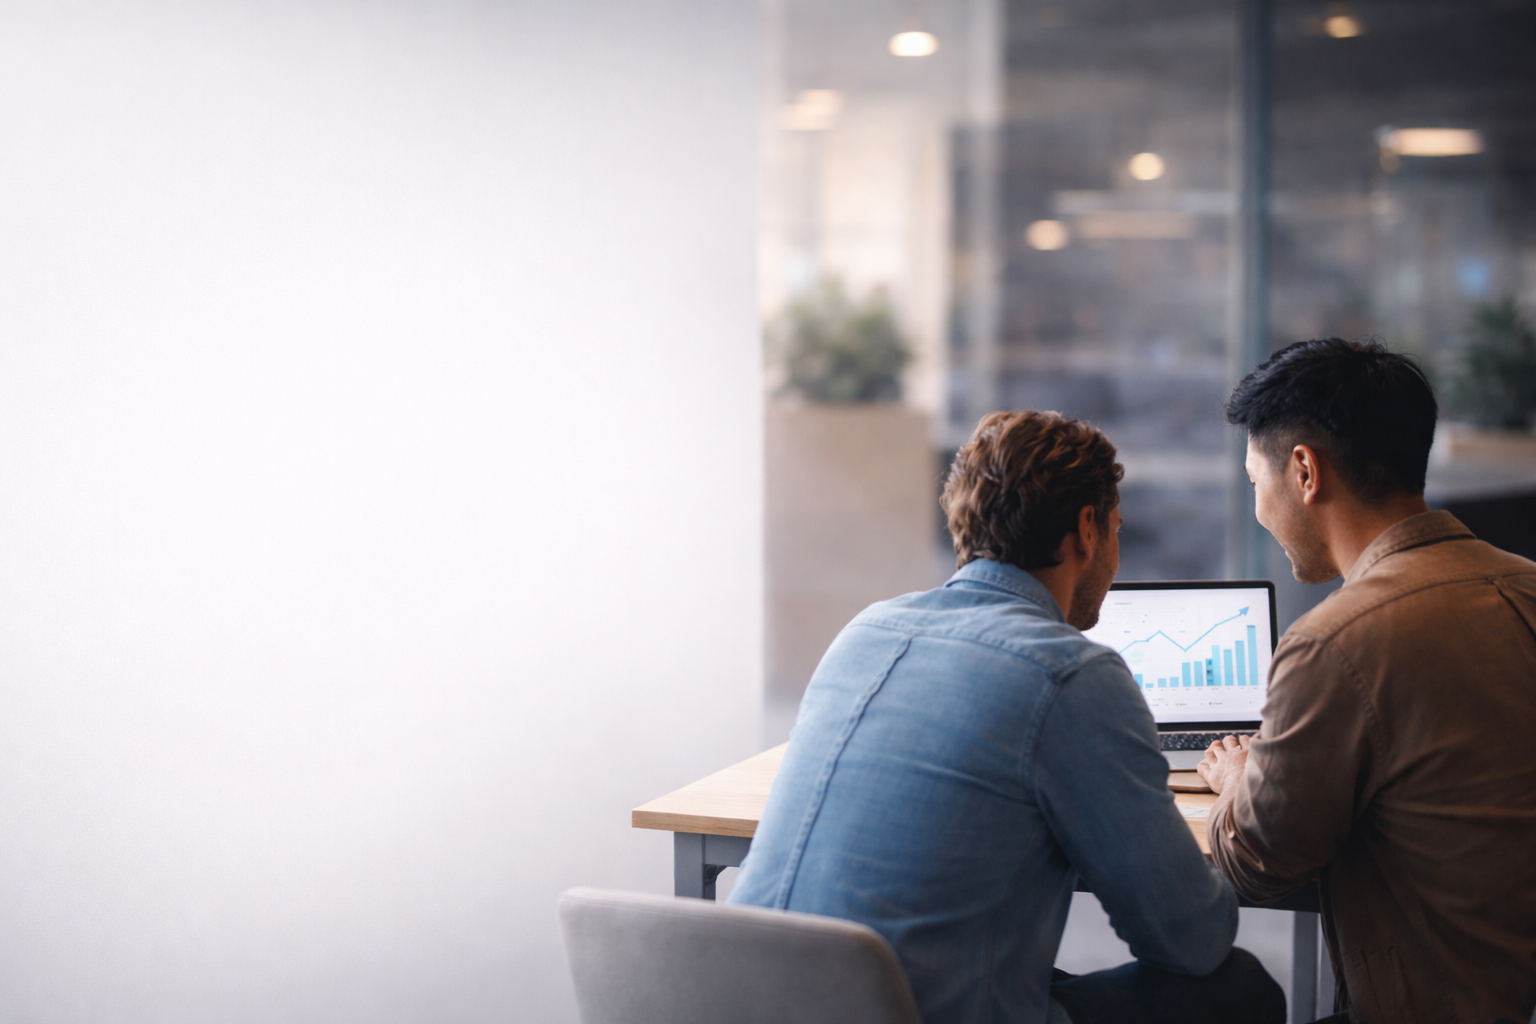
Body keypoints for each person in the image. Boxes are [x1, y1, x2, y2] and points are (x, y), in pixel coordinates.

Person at [730, 410, 1285, 1024]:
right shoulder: (1071, 675)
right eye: (1118, 530)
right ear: (1086, 529)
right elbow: (1190, 939)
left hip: (748, 998)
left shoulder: (865, 630)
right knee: (1240, 985)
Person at [1200, 338, 1536, 1024]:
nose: (1260, 510)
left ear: (1303, 472)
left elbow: (1256, 867)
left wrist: (1237, 779)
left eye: (1253, 482)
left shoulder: (1336, 641)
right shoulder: (1525, 585)